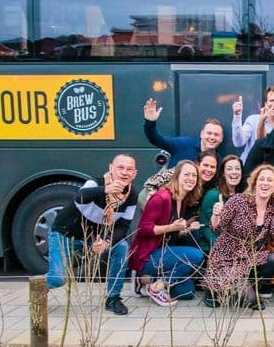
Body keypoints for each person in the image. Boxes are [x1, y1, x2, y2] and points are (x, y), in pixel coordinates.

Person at [46, 154, 138, 315]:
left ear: (134, 174)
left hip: (93, 240)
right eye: (120, 168)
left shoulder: (131, 195)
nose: (124, 172)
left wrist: (107, 241)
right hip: (65, 235)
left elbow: (123, 226)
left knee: (122, 247)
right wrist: (105, 190)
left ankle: (113, 298)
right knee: (58, 279)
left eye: (129, 169)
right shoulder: (95, 183)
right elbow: (79, 197)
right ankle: (38, 285)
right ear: (111, 168)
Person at [205, 164, 274, 308]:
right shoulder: (238, 200)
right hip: (226, 259)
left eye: (269, 180)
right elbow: (216, 227)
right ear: (255, 183)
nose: (265, 183)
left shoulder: (272, 209)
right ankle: (214, 290)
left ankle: (246, 285)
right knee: (250, 301)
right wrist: (216, 215)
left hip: (249, 258)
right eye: (261, 179)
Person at [129, 160, 205, 306]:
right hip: (146, 256)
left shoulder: (182, 200)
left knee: (186, 292)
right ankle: (157, 286)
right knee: (196, 255)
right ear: (177, 176)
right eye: (186, 174)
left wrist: (187, 229)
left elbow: (171, 234)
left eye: (194, 176)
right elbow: (144, 229)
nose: (191, 178)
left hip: (161, 251)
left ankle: (144, 280)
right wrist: (172, 227)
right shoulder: (161, 197)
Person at [143, 98, 223, 166]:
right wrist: (150, 122)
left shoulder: (219, 161)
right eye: (209, 133)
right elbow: (156, 140)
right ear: (201, 134)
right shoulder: (183, 144)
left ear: (221, 138)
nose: (212, 137)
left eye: (216, 135)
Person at [231, 86, 274, 163]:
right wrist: (237, 116)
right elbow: (238, 143)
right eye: (271, 100)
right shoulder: (253, 120)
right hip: (249, 169)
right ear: (265, 103)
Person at [199, 154, 244, 253]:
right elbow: (205, 227)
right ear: (223, 173)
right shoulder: (213, 195)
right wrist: (224, 248)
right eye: (229, 169)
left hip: (236, 249)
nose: (234, 172)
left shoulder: (242, 197)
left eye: (237, 169)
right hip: (212, 248)